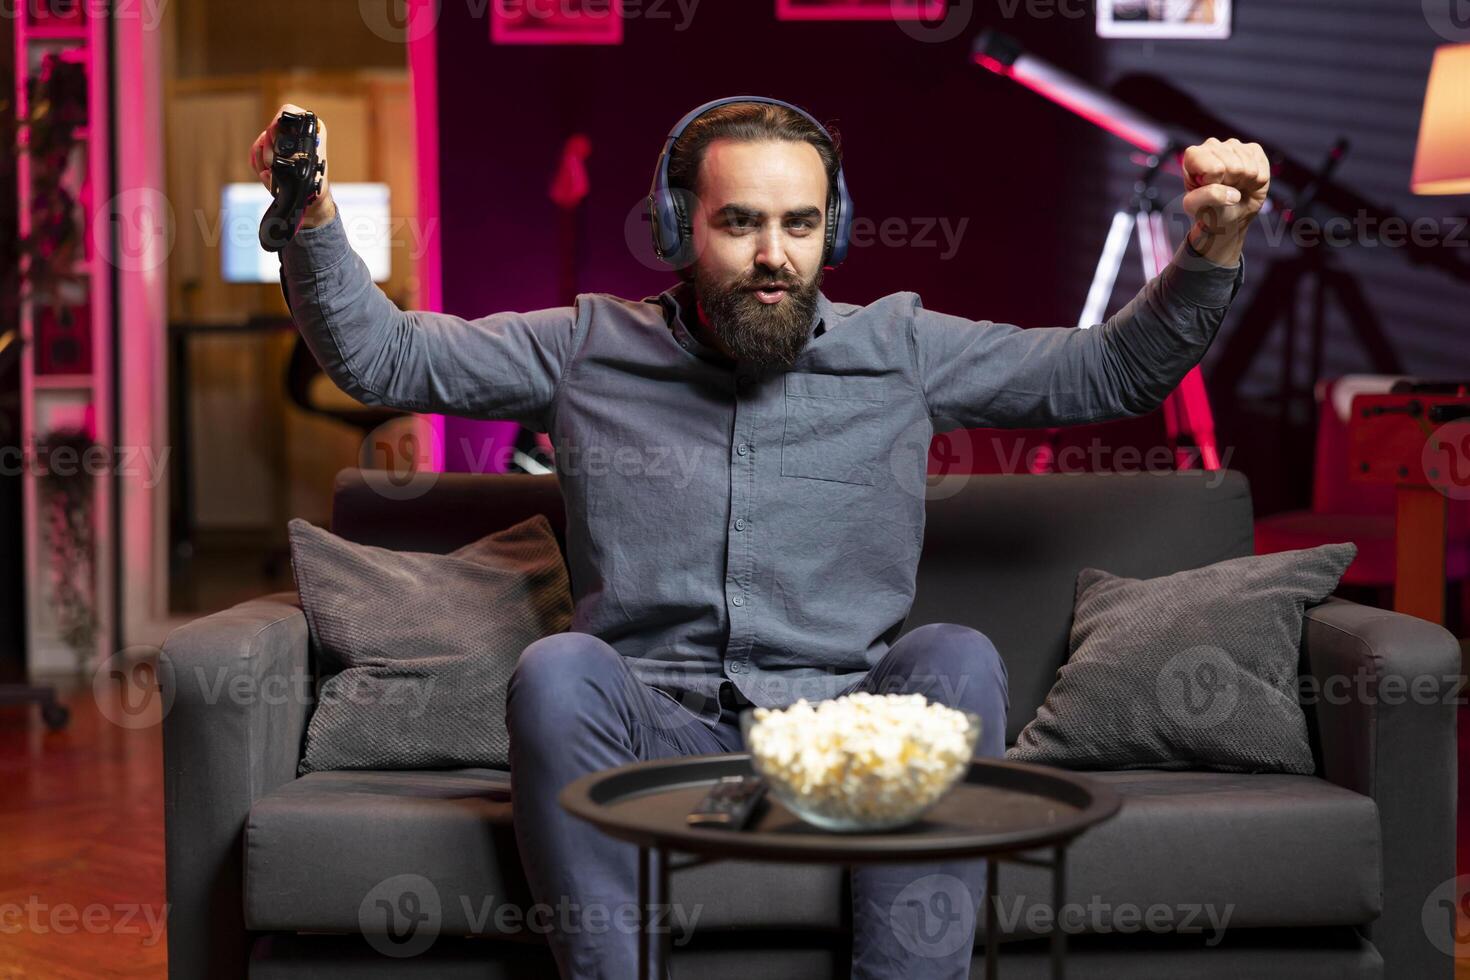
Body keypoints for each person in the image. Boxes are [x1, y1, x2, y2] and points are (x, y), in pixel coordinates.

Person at [254, 96, 1265, 979]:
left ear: (835, 229)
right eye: (739, 222)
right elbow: (383, 357)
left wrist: (1211, 247)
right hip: (652, 737)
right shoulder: (586, 347)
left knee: (954, 654)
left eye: (799, 224)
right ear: (675, 226)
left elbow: (1106, 374)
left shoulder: (902, 349)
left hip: (845, 736)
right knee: (556, 668)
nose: (773, 255)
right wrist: (310, 218)